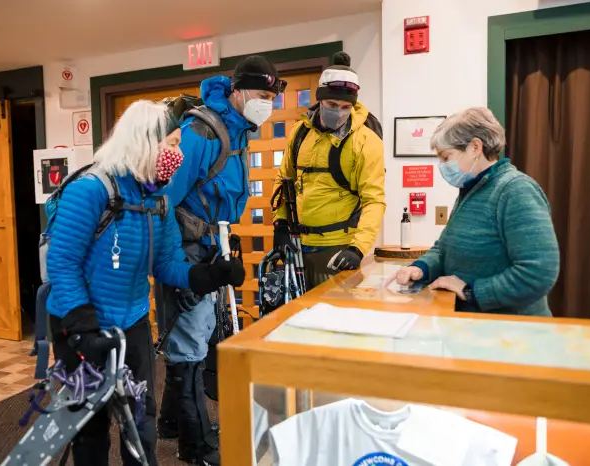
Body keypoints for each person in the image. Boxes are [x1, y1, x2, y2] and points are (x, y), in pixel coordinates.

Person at [45, 100, 245, 466]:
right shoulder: (90, 190)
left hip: (132, 322)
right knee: (91, 424)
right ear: (143, 142)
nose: (177, 154)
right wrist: (82, 321)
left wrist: (207, 276)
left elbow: (167, 263)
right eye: (170, 144)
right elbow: (62, 262)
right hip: (81, 326)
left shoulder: (158, 200)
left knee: (140, 419)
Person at [156, 55, 284, 465]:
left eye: (272, 96)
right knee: (191, 341)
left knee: (197, 331)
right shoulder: (200, 131)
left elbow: (223, 197)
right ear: (238, 91)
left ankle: (170, 423)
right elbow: (164, 204)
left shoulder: (238, 130)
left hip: (213, 242)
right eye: (262, 95)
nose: (267, 104)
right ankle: (196, 446)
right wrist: (182, 268)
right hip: (186, 248)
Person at [386, 107, 560, 316]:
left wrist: (471, 292)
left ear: (475, 147)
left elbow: (539, 272)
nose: (441, 165)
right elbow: (444, 249)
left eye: (445, 157)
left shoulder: (515, 190)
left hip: (511, 333)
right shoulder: (470, 191)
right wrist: (421, 268)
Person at [272, 51, 386, 290]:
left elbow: (374, 200)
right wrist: (280, 224)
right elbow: (284, 179)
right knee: (297, 319)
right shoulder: (300, 132)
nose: (339, 111)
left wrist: (358, 248)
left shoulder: (366, 141)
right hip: (298, 247)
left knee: (334, 318)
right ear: (320, 100)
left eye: (346, 107)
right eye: (332, 104)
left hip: (338, 249)